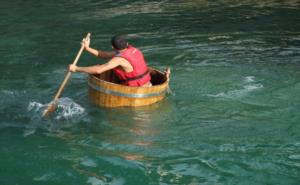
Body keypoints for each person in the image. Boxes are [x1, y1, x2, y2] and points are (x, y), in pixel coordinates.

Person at [69, 35, 152, 87]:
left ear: (113, 47)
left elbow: (99, 70)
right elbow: (105, 55)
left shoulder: (119, 59)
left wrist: (76, 69)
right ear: (127, 44)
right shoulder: (133, 50)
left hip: (135, 92)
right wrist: (87, 48)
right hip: (148, 86)